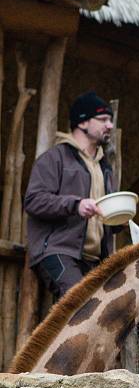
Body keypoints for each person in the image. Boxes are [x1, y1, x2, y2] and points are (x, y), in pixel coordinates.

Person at [24, 91, 118, 299]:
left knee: (112, 310)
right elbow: (33, 200)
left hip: (96, 258)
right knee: (79, 301)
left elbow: (106, 214)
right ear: (83, 123)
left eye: (110, 120)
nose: (110, 125)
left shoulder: (104, 166)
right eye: (103, 119)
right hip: (58, 250)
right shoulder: (55, 158)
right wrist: (75, 205)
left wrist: (119, 217)